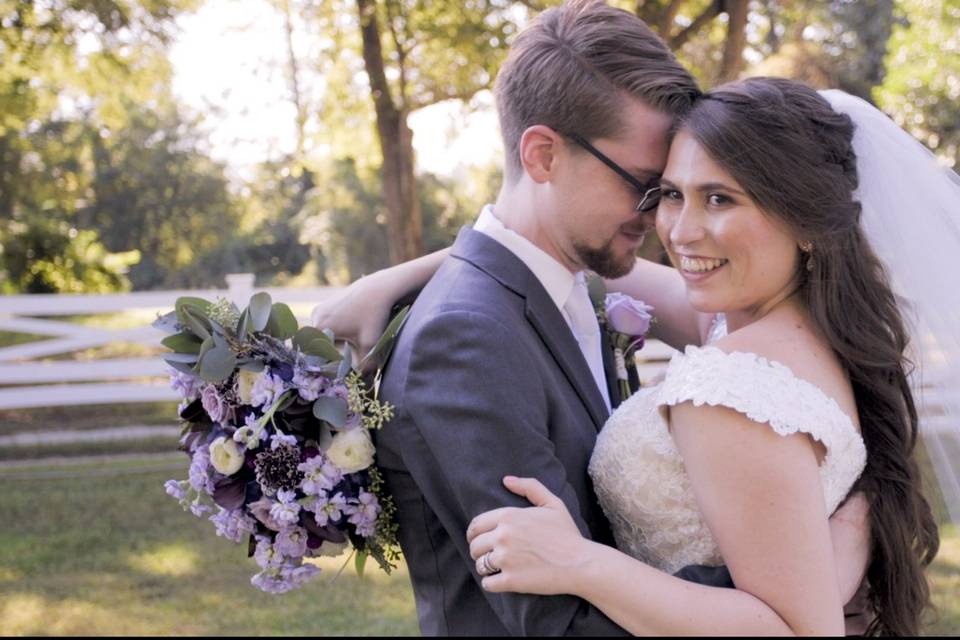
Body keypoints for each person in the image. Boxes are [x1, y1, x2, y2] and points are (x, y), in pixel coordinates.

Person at [312, 2, 877, 636]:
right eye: (650, 187)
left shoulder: (582, 277)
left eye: (671, 191)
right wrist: (815, 575)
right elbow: (562, 623)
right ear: (544, 156)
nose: (665, 222)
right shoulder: (465, 338)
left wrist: (398, 274)